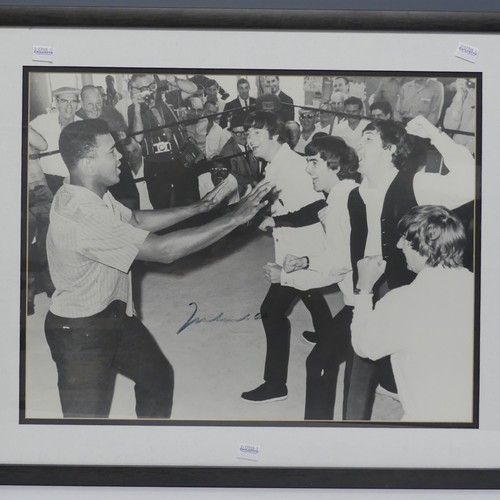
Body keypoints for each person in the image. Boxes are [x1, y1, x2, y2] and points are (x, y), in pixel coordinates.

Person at [44, 119, 273, 419]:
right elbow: (164, 251)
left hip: (113, 312)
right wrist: (234, 218)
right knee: (84, 429)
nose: (121, 157)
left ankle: (148, 453)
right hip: (78, 332)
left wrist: (200, 207)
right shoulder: (83, 214)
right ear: (87, 162)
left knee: (157, 377)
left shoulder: (87, 190)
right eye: (111, 151)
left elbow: (135, 221)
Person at [343, 116, 475, 420]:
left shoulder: (415, 183)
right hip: (368, 283)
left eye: (368, 140)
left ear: (390, 149)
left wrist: (434, 134)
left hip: (406, 291)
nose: (357, 146)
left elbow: (470, 182)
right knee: (357, 372)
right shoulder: (354, 194)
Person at [240, 110, 332, 404]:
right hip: (293, 247)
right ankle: (330, 336)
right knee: (309, 292)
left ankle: (275, 384)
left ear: (276, 135)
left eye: (256, 133)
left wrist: (276, 222)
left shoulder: (294, 165)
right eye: (246, 133)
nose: (248, 139)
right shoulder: (272, 165)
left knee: (271, 310)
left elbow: (316, 206)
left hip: (305, 250)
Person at [351, 205, 474, 422]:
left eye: (405, 240)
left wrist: (364, 289)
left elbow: (364, 346)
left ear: (423, 247)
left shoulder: (400, 301)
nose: (399, 246)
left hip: (429, 420)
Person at [280, 136, 361, 419]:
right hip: (363, 297)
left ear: (334, 165)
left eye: (314, 163)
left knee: (319, 362)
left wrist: (289, 275)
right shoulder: (347, 193)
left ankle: (316, 435)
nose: (308, 170)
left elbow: (339, 264)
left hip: (363, 303)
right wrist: (305, 260)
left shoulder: (342, 201)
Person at [128, 73, 199, 209]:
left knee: (191, 205)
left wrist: (175, 80)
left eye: (152, 86)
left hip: (181, 160)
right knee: (163, 209)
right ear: (135, 90)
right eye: (143, 88)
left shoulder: (168, 98)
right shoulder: (133, 110)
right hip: (156, 166)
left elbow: (192, 89)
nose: (149, 91)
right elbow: (138, 138)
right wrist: (137, 108)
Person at [30, 86, 82, 194]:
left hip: (77, 182)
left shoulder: (83, 125)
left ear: (78, 104)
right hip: (48, 183)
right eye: (64, 101)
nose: (69, 106)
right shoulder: (42, 121)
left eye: (73, 101)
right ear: (57, 103)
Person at [219, 114, 261, 197]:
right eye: (238, 133)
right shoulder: (227, 153)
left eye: (245, 132)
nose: (242, 136)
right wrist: (253, 182)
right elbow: (234, 176)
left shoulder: (251, 142)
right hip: (240, 195)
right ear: (232, 133)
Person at [443, 78, 476, 155]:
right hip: (458, 148)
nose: (472, 87)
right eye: (470, 83)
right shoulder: (465, 95)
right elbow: (449, 126)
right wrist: (459, 95)